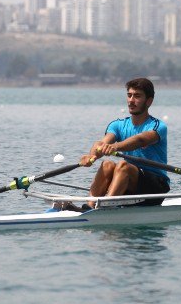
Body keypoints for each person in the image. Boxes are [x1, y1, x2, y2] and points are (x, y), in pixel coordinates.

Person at [61, 77, 170, 212]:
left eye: (137, 96)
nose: (131, 100)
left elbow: (140, 140)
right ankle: (89, 207)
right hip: (129, 185)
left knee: (123, 165)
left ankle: (105, 208)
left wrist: (115, 147)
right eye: (129, 95)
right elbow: (101, 143)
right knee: (107, 164)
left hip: (155, 188)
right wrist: (91, 156)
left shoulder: (158, 126)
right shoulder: (118, 125)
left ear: (149, 101)